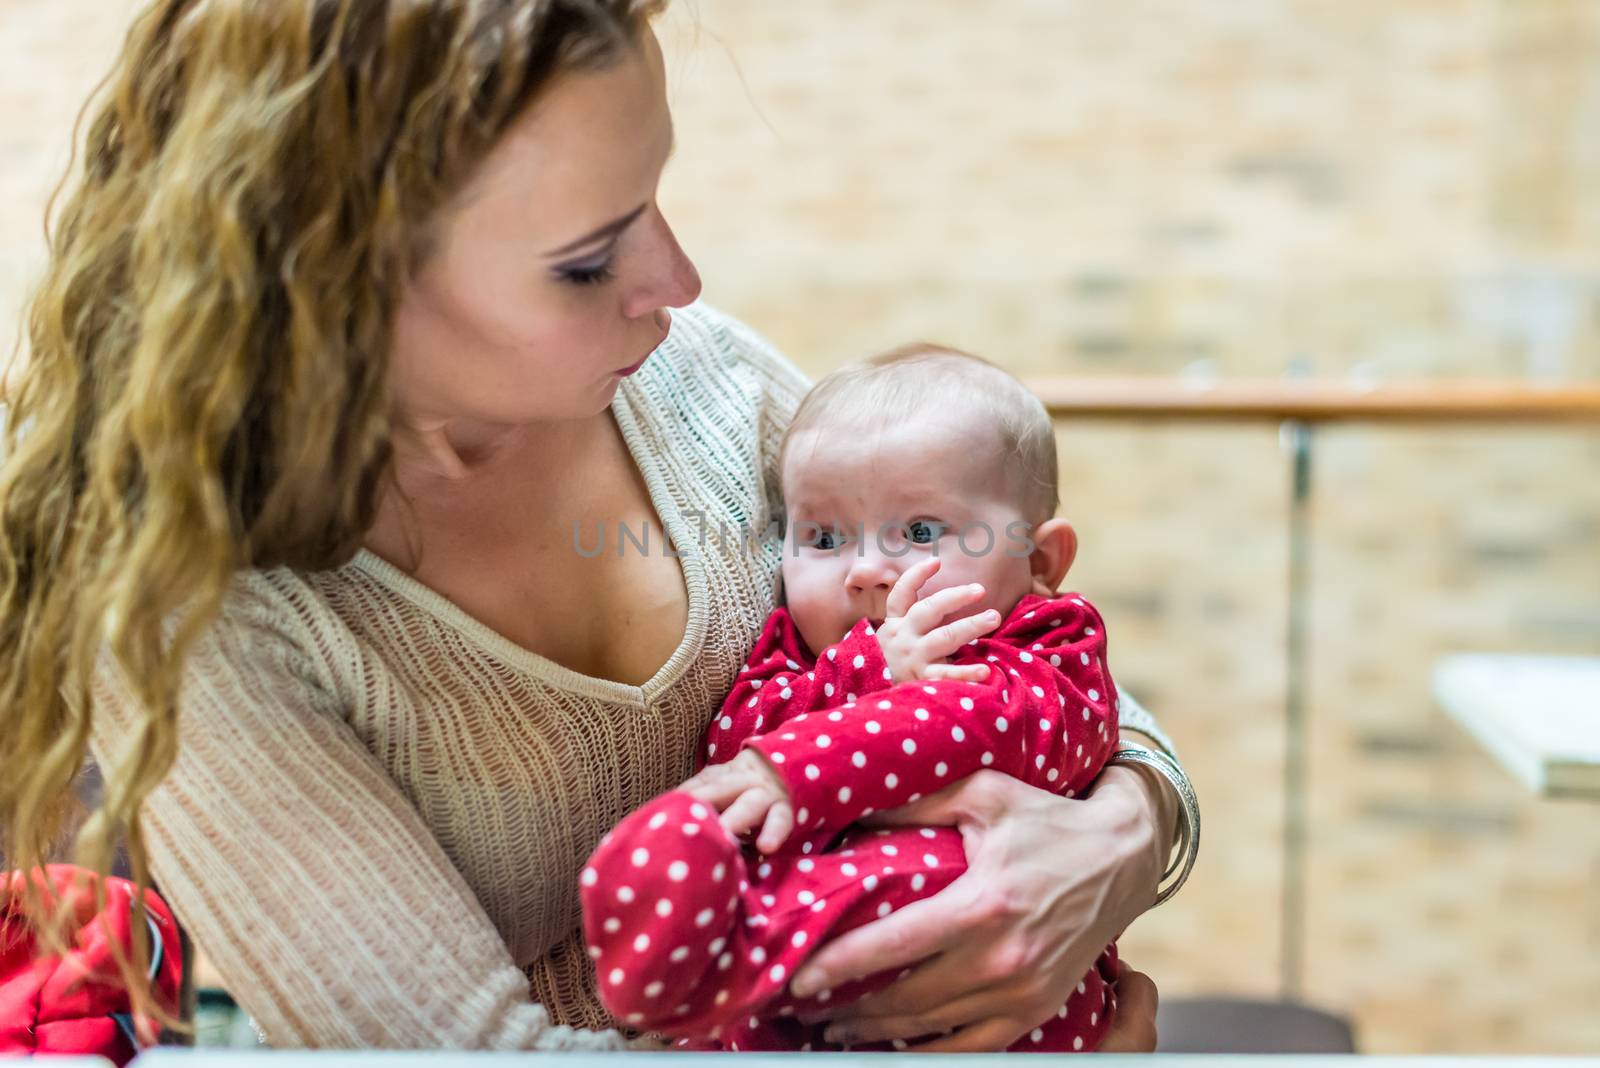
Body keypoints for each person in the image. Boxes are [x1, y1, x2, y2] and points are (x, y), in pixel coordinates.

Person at [0, 0, 1195, 1052]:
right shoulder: (204, 611)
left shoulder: (702, 380)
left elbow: (1029, 649)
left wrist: (1123, 839)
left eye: (653, 199)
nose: (676, 280)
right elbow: (462, 1054)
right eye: (584, 261)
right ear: (337, 285)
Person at [583, 346, 1126, 1053]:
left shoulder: (1048, 646)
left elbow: (1001, 729)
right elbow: (732, 759)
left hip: (1009, 1024)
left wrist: (796, 769)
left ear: (1042, 561)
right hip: (806, 1030)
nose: (866, 569)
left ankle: (715, 965)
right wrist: (862, 676)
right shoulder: (794, 657)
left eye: (922, 531)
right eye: (824, 537)